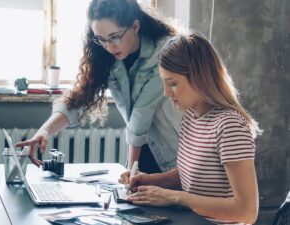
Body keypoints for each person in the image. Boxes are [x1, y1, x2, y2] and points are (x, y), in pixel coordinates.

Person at [16, 0, 181, 174]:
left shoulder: (164, 51)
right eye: (101, 39)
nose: (109, 47)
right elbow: (79, 98)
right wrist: (44, 131)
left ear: (135, 26)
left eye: (115, 37)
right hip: (141, 155)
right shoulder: (104, 54)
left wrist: (131, 176)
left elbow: (141, 113)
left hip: (173, 158)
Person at [119, 32, 262, 224]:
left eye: (173, 84)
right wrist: (150, 180)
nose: (166, 92)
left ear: (198, 77)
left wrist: (174, 197)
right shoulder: (190, 117)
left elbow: (246, 212)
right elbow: (191, 173)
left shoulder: (230, 126)